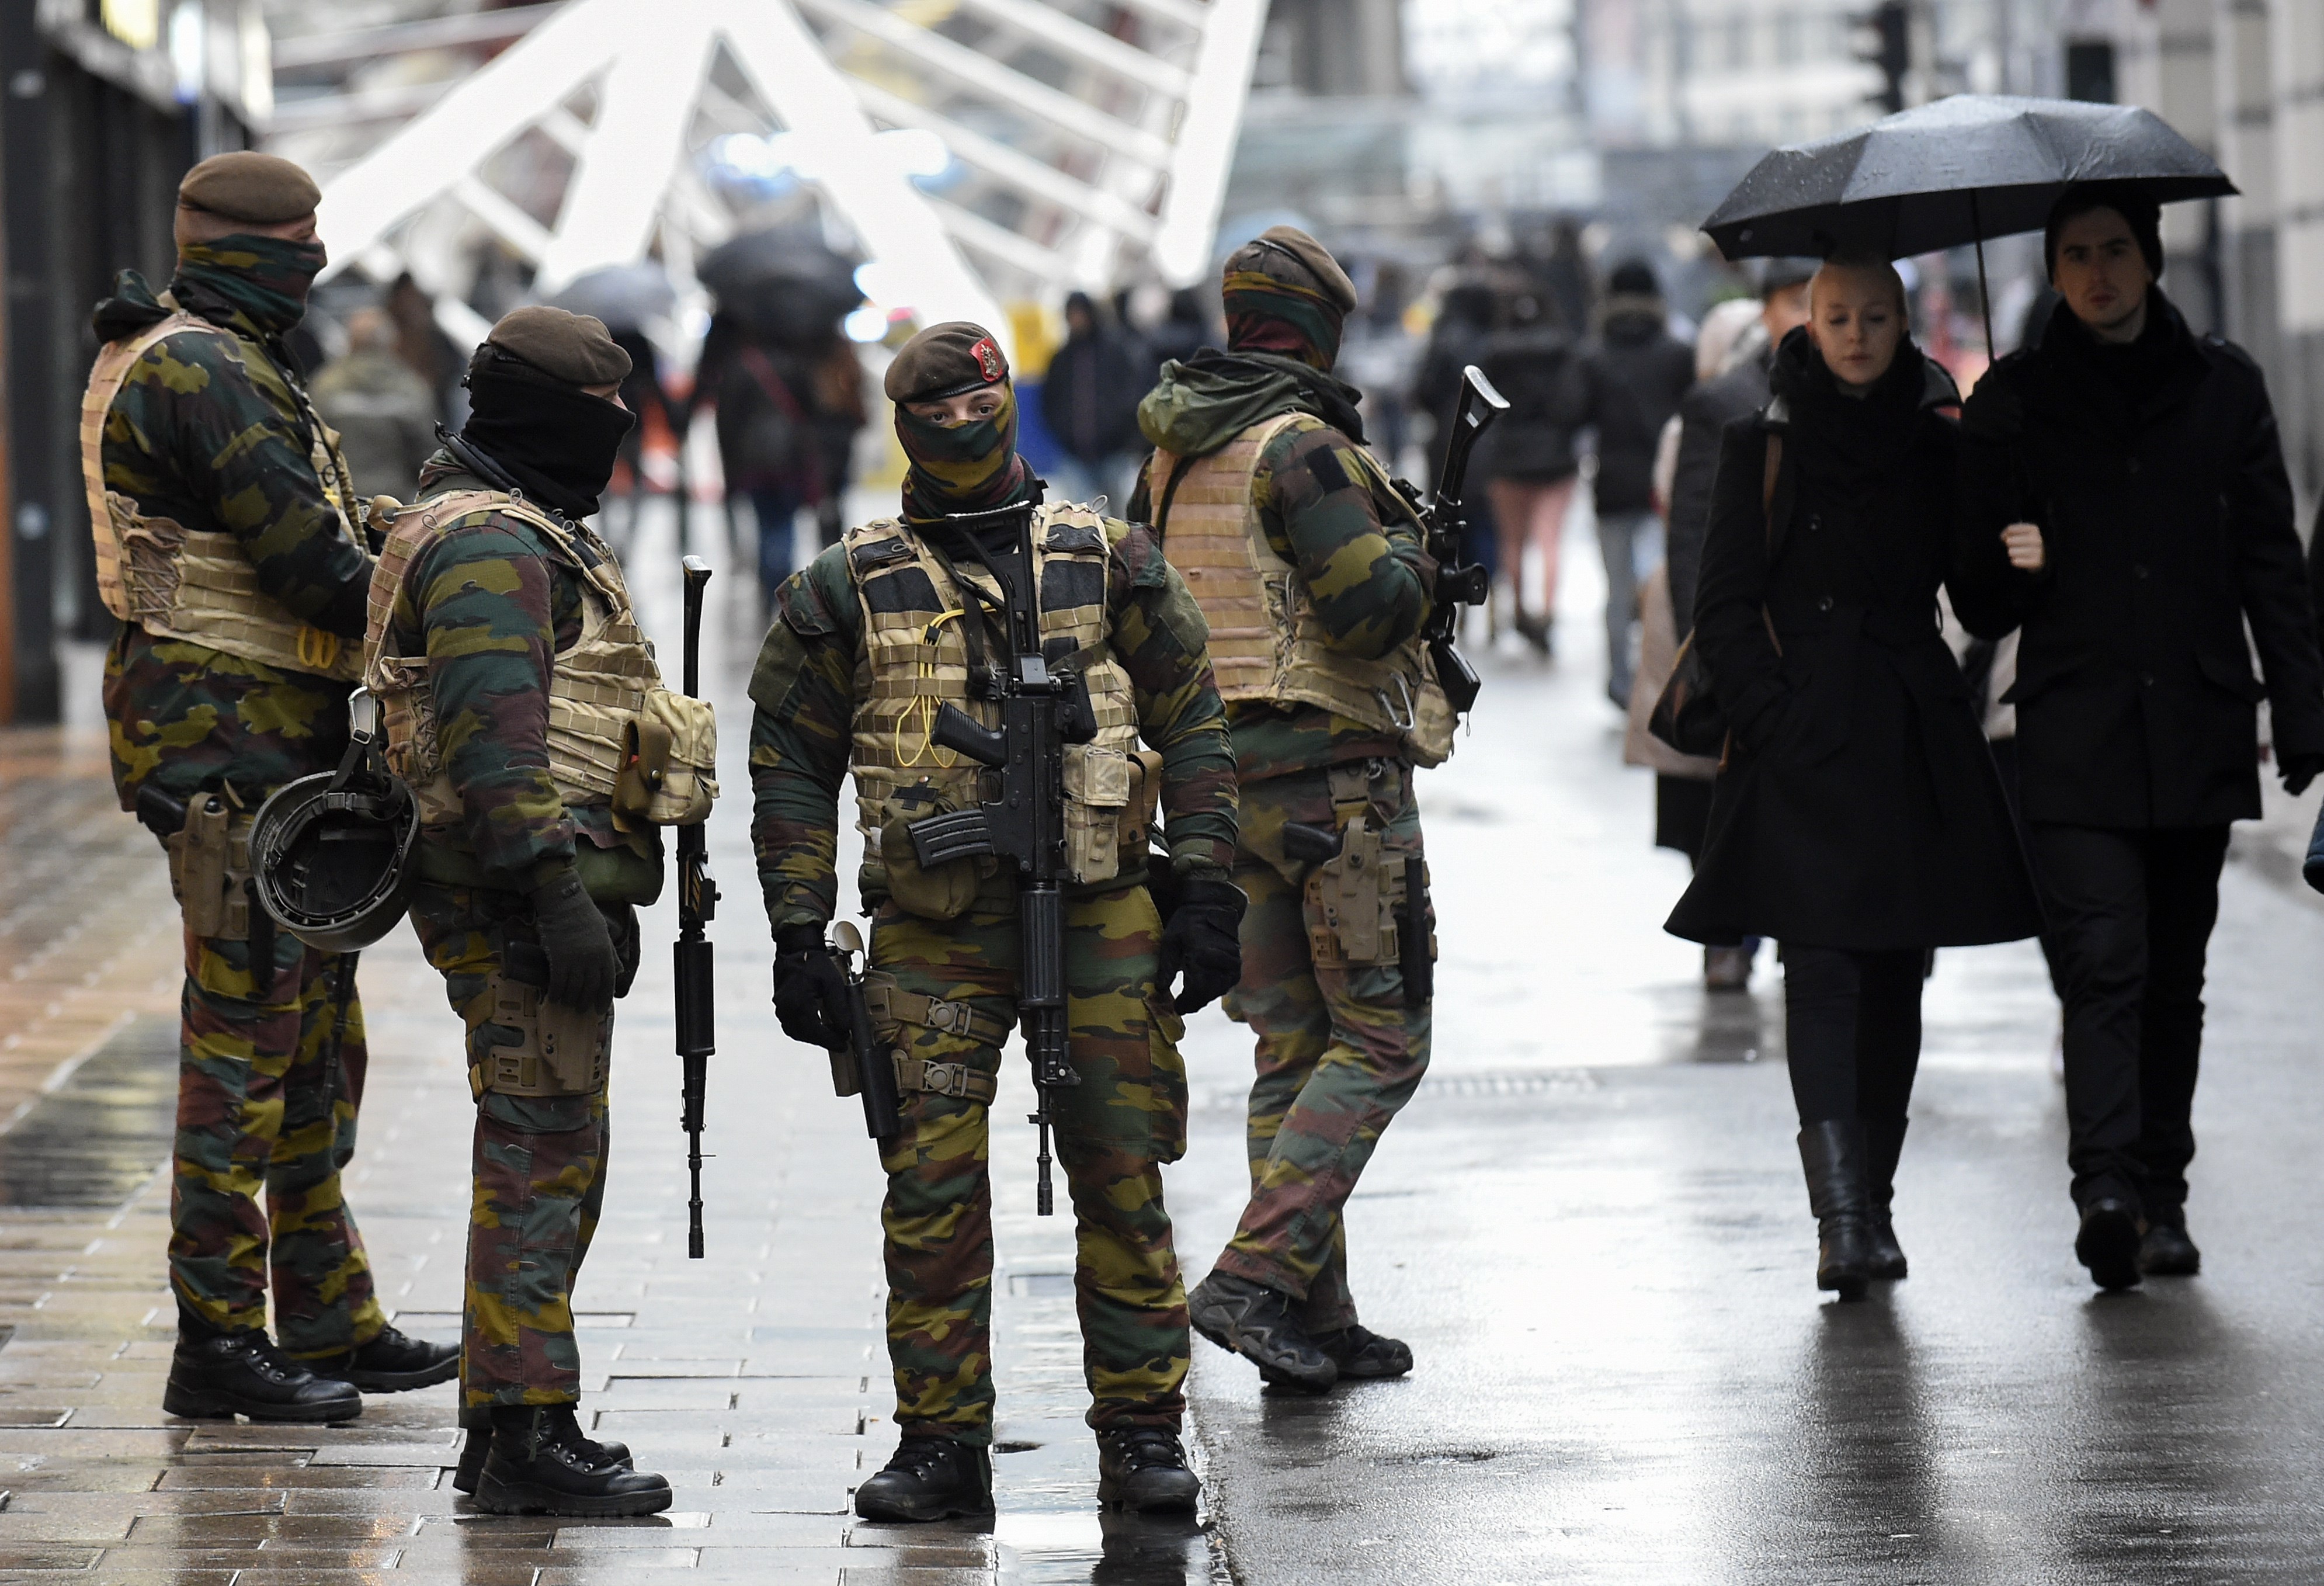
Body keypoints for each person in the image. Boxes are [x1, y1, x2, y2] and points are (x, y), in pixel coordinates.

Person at [751, 322, 1241, 1522]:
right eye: (940, 422)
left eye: (981, 413)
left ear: (1005, 406)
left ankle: (1138, 1432)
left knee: (1123, 1175)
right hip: (929, 927)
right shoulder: (844, 583)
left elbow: (1195, 718)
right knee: (930, 1189)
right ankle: (940, 1442)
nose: (965, 436)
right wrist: (799, 925)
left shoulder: (1107, 555)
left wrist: (1214, 883)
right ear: (906, 429)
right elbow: (791, 763)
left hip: (1101, 911)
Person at [82, 151, 455, 1425]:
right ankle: (220, 1339)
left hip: (273, 756)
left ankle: (327, 1313)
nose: (315, 268)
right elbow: (310, 562)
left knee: (312, 1039)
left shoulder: (223, 356)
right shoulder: (205, 370)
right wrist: (439, 583)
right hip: (228, 759)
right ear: (252, 249)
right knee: (243, 1047)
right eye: (300, 246)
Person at [1956, 187, 2324, 1290]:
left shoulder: (2221, 387)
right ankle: (2104, 1187)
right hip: (2071, 724)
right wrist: (1997, 539)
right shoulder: (2015, 401)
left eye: (2113, 250)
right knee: (2102, 960)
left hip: (2197, 718)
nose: (2096, 273)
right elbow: (1976, 604)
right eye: (2073, 256)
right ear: (2052, 270)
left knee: (2172, 972)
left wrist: (2302, 712)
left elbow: (2270, 559)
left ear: (2149, 257)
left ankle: (2161, 1194)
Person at [1666, 258, 2042, 1299]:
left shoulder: (1939, 443)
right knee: (1822, 969)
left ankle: (1869, 1204)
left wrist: (2003, 492)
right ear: (1809, 323)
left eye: (1875, 316)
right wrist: (1775, 719)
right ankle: (1839, 1220)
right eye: (1838, 316)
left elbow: (1975, 597)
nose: (1856, 333)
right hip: (1803, 745)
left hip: (1910, 735)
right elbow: (1725, 605)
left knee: (1893, 975)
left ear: (1902, 322)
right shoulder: (1761, 443)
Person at [367, 307, 685, 1515]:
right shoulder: (494, 545)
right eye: (603, 422)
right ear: (562, 422)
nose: (613, 443)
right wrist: (558, 898)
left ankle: (507, 1427)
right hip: (510, 898)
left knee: (545, 1144)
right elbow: (498, 756)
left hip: (518, 891)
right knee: (540, 1154)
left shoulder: (495, 518)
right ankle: (529, 1431)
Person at [1131, 225, 1445, 1390]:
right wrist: (1419, 556)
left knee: (1291, 1045)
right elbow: (1368, 613)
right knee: (1383, 1036)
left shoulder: (1170, 454)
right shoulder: (1299, 447)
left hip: (1220, 792)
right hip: (1335, 792)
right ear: (1316, 329)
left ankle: (1312, 1312)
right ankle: (1258, 1278)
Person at [1659, 261, 1815, 990]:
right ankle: (1732, 936)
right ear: (1767, 310)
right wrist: (1715, 643)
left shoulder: (1876, 407)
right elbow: (1693, 532)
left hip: (1820, 659)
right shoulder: (1724, 402)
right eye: (1803, 303)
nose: (1820, 320)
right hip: (1745, 647)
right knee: (1729, 802)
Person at [1577, 260, 1695, 706]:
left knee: (1615, 587)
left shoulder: (1593, 355)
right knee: (1656, 583)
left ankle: (1618, 681)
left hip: (1611, 486)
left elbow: (1574, 412)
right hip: (1663, 486)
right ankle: (1660, 675)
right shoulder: (1678, 354)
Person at [1477, 291, 1585, 653]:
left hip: (1507, 458)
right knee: (1550, 539)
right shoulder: (1562, 352)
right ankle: (1548, 612)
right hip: (1555, 458)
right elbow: (1572, 404)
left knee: (1513, 542)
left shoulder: (1495, 354)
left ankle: (1521, 610)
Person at [311, 305, 439, 502]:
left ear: (350, 342)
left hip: (341, 502)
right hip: (394, 504)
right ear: (391, 342)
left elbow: (312, 445)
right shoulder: (410, 386)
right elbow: (427, 454)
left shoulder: (325, 385)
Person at [1040, 290, 1148, 510]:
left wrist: (1121, 431)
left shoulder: (1116, 352)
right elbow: (1049, 402)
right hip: (1075, 457)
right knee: (1073, 520)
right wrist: (1065, 434)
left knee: (1123, 520)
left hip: (1114, 454)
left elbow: (1132, 393)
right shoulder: (1062, 359)